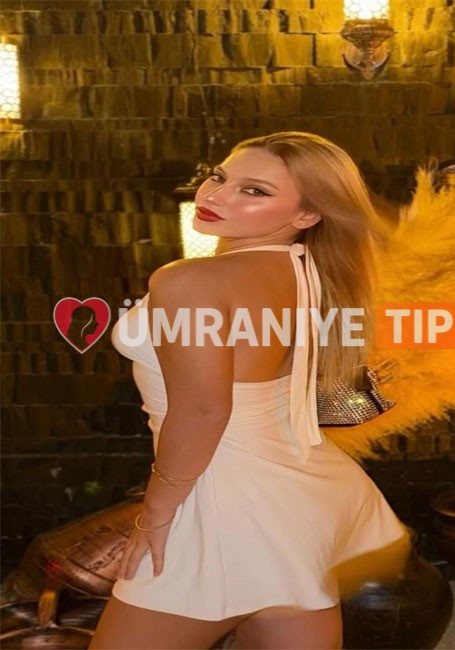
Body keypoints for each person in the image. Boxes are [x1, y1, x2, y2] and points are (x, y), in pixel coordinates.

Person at [89, 132, 409, 650]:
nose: (215, 195)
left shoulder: (188, 282)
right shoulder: (305, 270)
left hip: (220, 499)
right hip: (302, 495)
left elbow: (204, 411)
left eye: (254, 190)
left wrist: (156, 513)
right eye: (218, 176)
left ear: (308, 214)